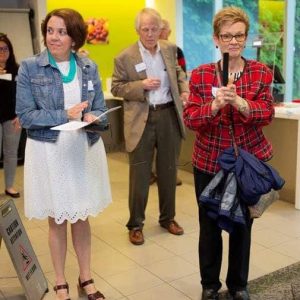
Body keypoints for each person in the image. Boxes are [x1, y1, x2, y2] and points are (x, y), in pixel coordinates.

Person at [16, 8, 111, 300]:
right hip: (49, 151)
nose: (54, 37)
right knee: (57, 219)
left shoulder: (87, 66)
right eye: (50, 31)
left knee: (81, 217)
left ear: (74, 38)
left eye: (62, 32)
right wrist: (63, 114)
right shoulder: (30, 67)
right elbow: (25, 115)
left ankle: (86, 277)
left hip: (82, 149)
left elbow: (98, 105)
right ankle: (60, 281)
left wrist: (93, 116)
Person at [183, 6, 274, 300]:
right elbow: (191, 120)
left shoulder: (260, 72)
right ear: (216, 39)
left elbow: (267, 113)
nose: (233, 42)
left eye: (239, 36)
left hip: (245, 165)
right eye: (226, 36)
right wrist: (214, 106)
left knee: (242, 226)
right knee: (209, 227)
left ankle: (238, 285)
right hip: (208, 162)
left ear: (246, 38)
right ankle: (209, 285)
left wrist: (241, 103)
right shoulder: (201, 75)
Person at [111, 7, 189, 246]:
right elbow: (117, 87)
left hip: (168, 115)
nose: (150, 33)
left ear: (160, 29)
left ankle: (168, 218)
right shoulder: (125, 57)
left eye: (154, 28)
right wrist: (141, 85)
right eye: (145, 29)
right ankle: (135, 224)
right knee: (140, 175)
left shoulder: (169, 49)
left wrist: (184, 90)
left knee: (168, 171)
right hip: (140, 120)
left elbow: (178, 73)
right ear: (138, 30)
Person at [149, 18, 187, 186]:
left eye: (164, 30)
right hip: (149, 106)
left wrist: (184, 91)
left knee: (170, 145)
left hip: (171, 105)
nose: (165, 33)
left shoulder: (174, 50)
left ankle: (169, 174)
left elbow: (181, 73)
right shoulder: (143, 51)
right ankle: (152, 173)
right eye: (163, 29)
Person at [0, 33, 22, 198]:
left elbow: (24, 94)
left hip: (13, 118)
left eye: (5, 48)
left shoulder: (18, 69)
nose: (2, 52)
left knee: (11, 152)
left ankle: (9, 186)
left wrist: (20, 114)